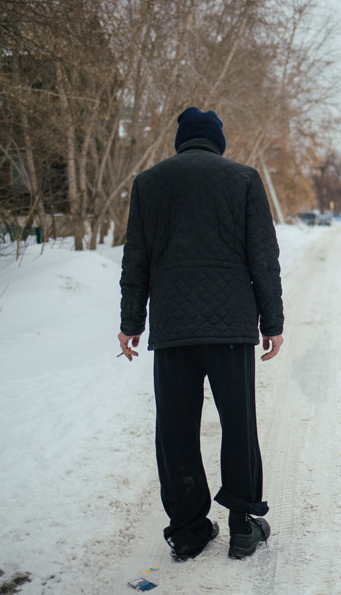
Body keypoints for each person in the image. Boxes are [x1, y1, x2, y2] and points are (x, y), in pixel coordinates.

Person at [118, 107, 284, 562]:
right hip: (230, 328)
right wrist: (272, 324)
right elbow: (263, 257)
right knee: (238, 424)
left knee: (175, 430)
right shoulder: (244, 178)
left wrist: (131, 323)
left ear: (181, 141)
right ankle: (243, 524)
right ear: (217, 140)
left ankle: (189, 531)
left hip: (173, 330)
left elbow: (136, 260)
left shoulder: (149, 183)